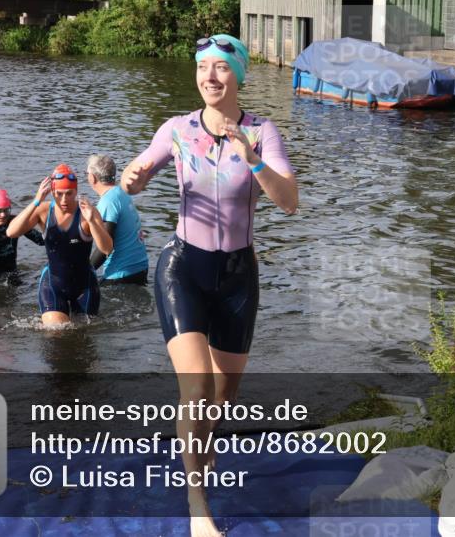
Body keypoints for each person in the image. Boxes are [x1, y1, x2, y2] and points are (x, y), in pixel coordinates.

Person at [121, 34, 297, 537]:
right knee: (196, 389)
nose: (210, 77)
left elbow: (289, 202)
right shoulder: (177, 129)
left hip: (239, 276)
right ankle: (200, 511)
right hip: (183, 268)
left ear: (238, 74)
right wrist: (133, 180)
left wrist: (253, 158)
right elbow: (142, 168)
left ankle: (200, 443)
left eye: (221, 67)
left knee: (222, 394)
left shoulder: (263, 133)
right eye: (203, 67)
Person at [6, 164, 112, 326]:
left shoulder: (87, 212)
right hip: (54, 284)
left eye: (69, 193)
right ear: (52, 192)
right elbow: (11, 232)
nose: (64, 200)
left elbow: (107, 249)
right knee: (55, 335)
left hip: (85, 286)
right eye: (59, 194)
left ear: (76, 191)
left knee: (84, 336)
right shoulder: (43, 210)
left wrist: (92, 221)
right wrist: (36, 201)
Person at [85, 154, 148, 284]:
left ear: (92, 178)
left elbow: (105, 248)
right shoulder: (121, 192)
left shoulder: (108, 201)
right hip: (141, 267)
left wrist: (84, 272)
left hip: (121, 273)